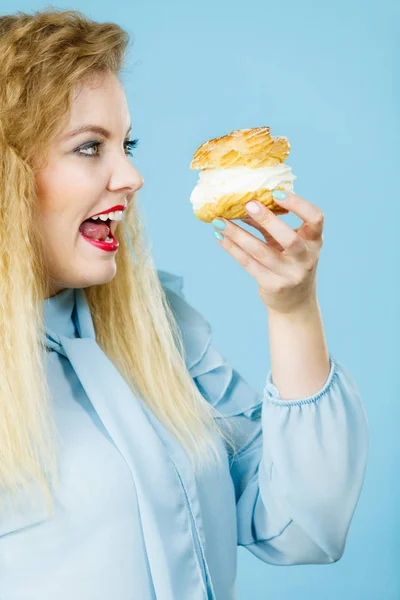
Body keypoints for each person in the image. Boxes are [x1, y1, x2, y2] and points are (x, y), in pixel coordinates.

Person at [0, 8, 369, 600]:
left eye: (127, 143)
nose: (131, 176)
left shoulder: (156, 329)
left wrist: (292, 308)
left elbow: (305, 528)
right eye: (90, 147)